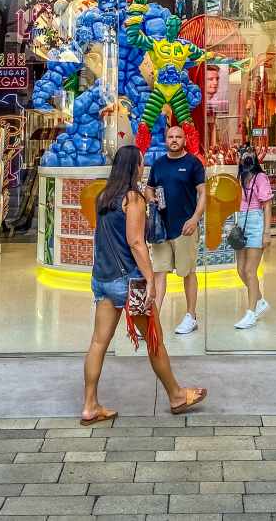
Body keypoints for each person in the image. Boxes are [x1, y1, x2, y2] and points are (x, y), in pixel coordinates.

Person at [82, 145, 207, 424]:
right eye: (140, 163)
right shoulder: (133, 199)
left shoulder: (104, 196)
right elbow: (136, 243)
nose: (143, 168)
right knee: (155, 340)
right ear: (134, 167)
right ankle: (176, 395)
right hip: (129, 281)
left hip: (103, 279)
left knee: (98, 342)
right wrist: (150, 279)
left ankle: (89, 405)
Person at [145, 125, 206, 335]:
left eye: (178, 136)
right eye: (170, 136)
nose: (174, 139)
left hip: (185, 229)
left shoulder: (193, 164)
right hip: (161, 230)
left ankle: (191, 316)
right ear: (165, 139)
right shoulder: (159, 164)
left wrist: (195, 218)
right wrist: (150, 198)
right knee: (159, 273)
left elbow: (203, 193)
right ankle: (154, 320)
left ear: (184, 139)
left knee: (188, 273)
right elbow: (149, 187)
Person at [232, 150, 273, 330]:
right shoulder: (240, 178)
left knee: (250, 270)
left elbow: (267, 205)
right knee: (240, 269)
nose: (245, 159)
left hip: (256, 223)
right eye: (242, 155)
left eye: (249, 155)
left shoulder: (260, 178)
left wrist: (267, 232)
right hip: (242, 222)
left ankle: (251, 312)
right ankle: (260, 301)